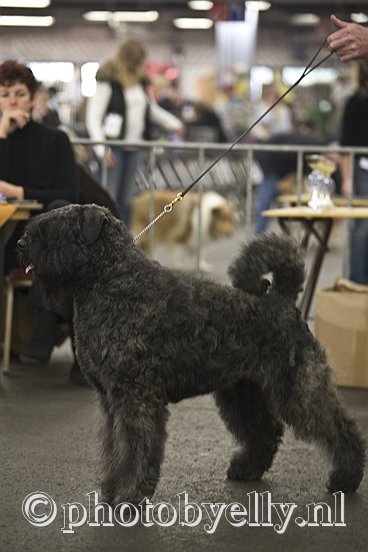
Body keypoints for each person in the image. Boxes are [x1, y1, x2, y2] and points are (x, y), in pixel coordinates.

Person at [0, 60, 83, 382]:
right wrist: (3, 135)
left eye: (20, 94)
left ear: (33, 98)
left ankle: (47, 321)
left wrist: (19, 191)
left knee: (60, 212)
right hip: (9, 241)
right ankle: (49, 326)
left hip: (45, 241)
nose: (12, 101)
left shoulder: (54, 141)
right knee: (67, 255)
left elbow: (70, 193)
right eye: (4, 94)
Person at [86, 38, 183, 225]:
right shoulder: (108, 80)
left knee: (126, 200)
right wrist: (101, 149)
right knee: (107, 199)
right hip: (113, 149)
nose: (142, 65)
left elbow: (151, 110)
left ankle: (123, 242)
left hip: (135, 147)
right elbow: (94, 117)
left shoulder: (140, 82)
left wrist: (174, 124)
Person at [254, 129, 325, 234]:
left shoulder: (315, 145)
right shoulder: (316, 147)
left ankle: (285, 232)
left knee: (279, 198)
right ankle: (258, 234)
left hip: (280, 164)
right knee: (267, 197)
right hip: (269, 159)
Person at [340, 59, 368, 283]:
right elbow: (346, 145)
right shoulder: (355, 103)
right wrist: (348, 179)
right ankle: (357, 281)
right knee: (362, 224)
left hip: (359, 168)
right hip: (362, 168)